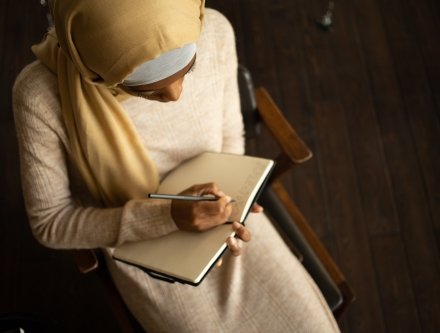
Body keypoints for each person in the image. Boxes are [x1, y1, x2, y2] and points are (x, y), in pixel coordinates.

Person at [13, 0, 340, 332]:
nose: (175, 95)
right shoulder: (40, 96)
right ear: (95, 71)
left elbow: (230, 136)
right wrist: (166, 217)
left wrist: (232, 197)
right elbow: (50, 222)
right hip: (140, 243)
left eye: (189, 69)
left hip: (225, 215)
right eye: (148, 91)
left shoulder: (213, 31)